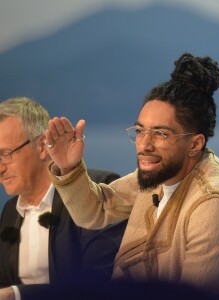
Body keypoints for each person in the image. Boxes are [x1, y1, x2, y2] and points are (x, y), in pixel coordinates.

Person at [44, 53, 219, 299]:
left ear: (195, 145)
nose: (144, 145)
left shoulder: (214, 202)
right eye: (140, 131)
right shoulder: (159, 175)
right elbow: (96, 210)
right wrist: (70, 167)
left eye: (161, 134)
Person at [0, 97, 127, 300]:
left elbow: (98, 282)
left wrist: (16, 295)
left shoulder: (97, 191)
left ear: (42, 146)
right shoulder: (9, 210)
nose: (1, 168)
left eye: (5, 155)